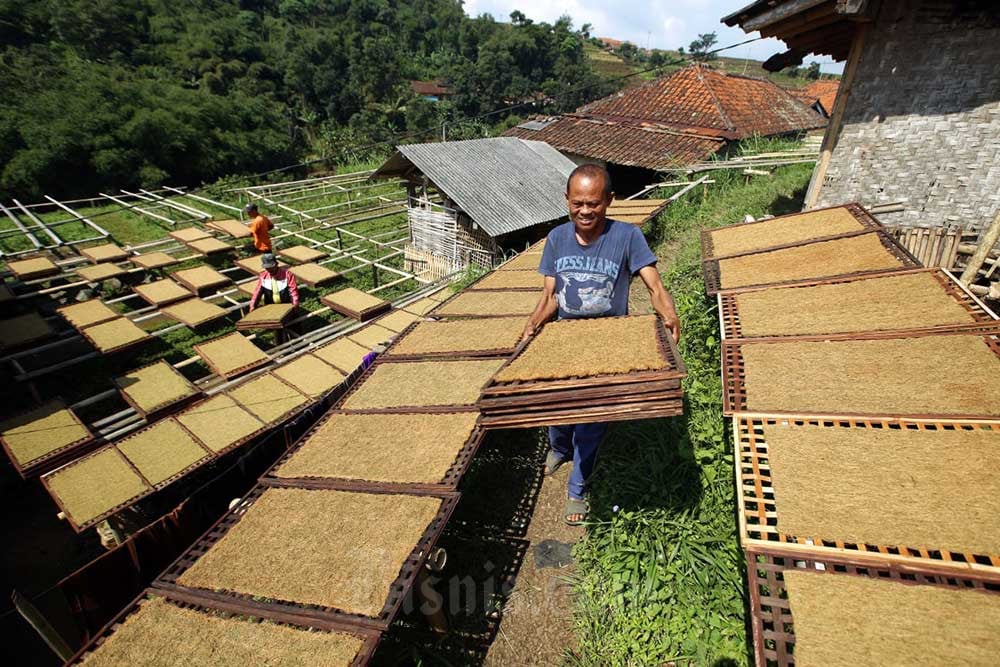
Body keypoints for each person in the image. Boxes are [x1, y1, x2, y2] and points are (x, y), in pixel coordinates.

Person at [521, 163, 681, 525]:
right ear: (566, 200)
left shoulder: (626, 237)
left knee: (592, 419)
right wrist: (531, 325)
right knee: (558, 404)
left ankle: (578, 487)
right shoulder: (557, 238)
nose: (585, 211)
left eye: (593, 203)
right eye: (577, 203)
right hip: (565, 338)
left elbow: (653, 284)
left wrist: (668, 312)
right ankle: (559, 448)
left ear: (609, 200)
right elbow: (550, 296)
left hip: (609, 341)